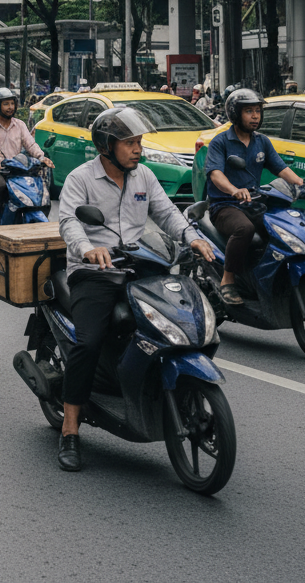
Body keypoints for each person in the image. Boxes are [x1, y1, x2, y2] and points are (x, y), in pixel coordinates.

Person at [56, 107, 216, 472]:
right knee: (89, 342)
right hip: (94, 272)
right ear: (108, 146)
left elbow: (167, 213)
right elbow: (68, 221)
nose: (137, 150)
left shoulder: (143, 175)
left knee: (175, 322)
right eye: (129, 143)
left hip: (139, 265)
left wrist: (192, 238)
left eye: (139, 142)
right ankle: (70, 430)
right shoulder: (82, 178)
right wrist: (87, 249)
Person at [204, 88, 305, 306]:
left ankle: (269, 278)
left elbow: (280, 168)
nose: (255, 116)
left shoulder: (262, 142)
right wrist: (233, 190)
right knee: (244, 229)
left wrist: (302, 184)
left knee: (284, 227)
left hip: (254, 203)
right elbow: (215, 174)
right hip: (225, 205)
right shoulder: (220, 142)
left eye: (258, 111)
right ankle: (228, 280)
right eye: (249, 111)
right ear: (235, 114)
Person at [0, 87, 53, 226]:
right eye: (6, 104)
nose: (10, 107)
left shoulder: (20, 125)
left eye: (12, 104)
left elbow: (30, 144)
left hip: (18, 170)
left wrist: (41, 157)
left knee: (37, 186)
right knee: (1, 187)